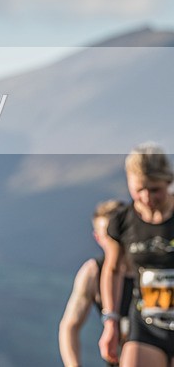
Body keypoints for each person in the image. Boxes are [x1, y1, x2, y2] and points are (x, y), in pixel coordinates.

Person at [99, 143, 174, 366]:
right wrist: (110, 322)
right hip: (147, 323)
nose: (146, 197)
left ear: (168, 182)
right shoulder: (123, 222)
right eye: (139, 189)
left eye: (154, 189)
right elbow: (112, 270)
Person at [59, 199, 133, 367]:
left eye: (118, 234)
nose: (115, 242)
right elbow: (69, 326)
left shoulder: (151, 268)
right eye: (108, 235)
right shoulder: (93, 273)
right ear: (98, 238)